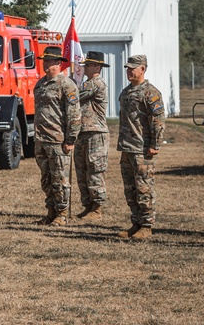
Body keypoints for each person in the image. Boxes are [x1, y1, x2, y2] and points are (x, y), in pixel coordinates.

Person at [116, 54, 165, 239]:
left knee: (144, 187)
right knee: (130, 188)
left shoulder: (150, 92)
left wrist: (155, 144)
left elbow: (158, 120)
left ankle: (146, 225)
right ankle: (136, 223)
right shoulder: (126, 91)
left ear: (143, 69)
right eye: (127, 68)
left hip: (142, 148)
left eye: (133, 68)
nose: (129, 71)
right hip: (127, 147)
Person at [33, 45, 80, 226]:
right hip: (41, 139)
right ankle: (51, 211)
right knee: (47, 179)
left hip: (58, 140)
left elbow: (74, 114)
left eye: (47, 61)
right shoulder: (41, 83)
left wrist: (70, 139)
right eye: (43, 61)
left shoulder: (66, 85)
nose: (44, 64)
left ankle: (62, 213)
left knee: (60, 179)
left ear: (57, 63)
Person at [74, 51, 110, 221]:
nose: (85, 67)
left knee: (95, 170)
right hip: (83, 131)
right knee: (82, 170)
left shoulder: (96, 83)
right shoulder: (88, 83)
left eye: (89, 65)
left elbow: (74, 96)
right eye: (85, 64)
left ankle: (97, 208)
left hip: (96, 132)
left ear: (98, 67)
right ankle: (88, 205)